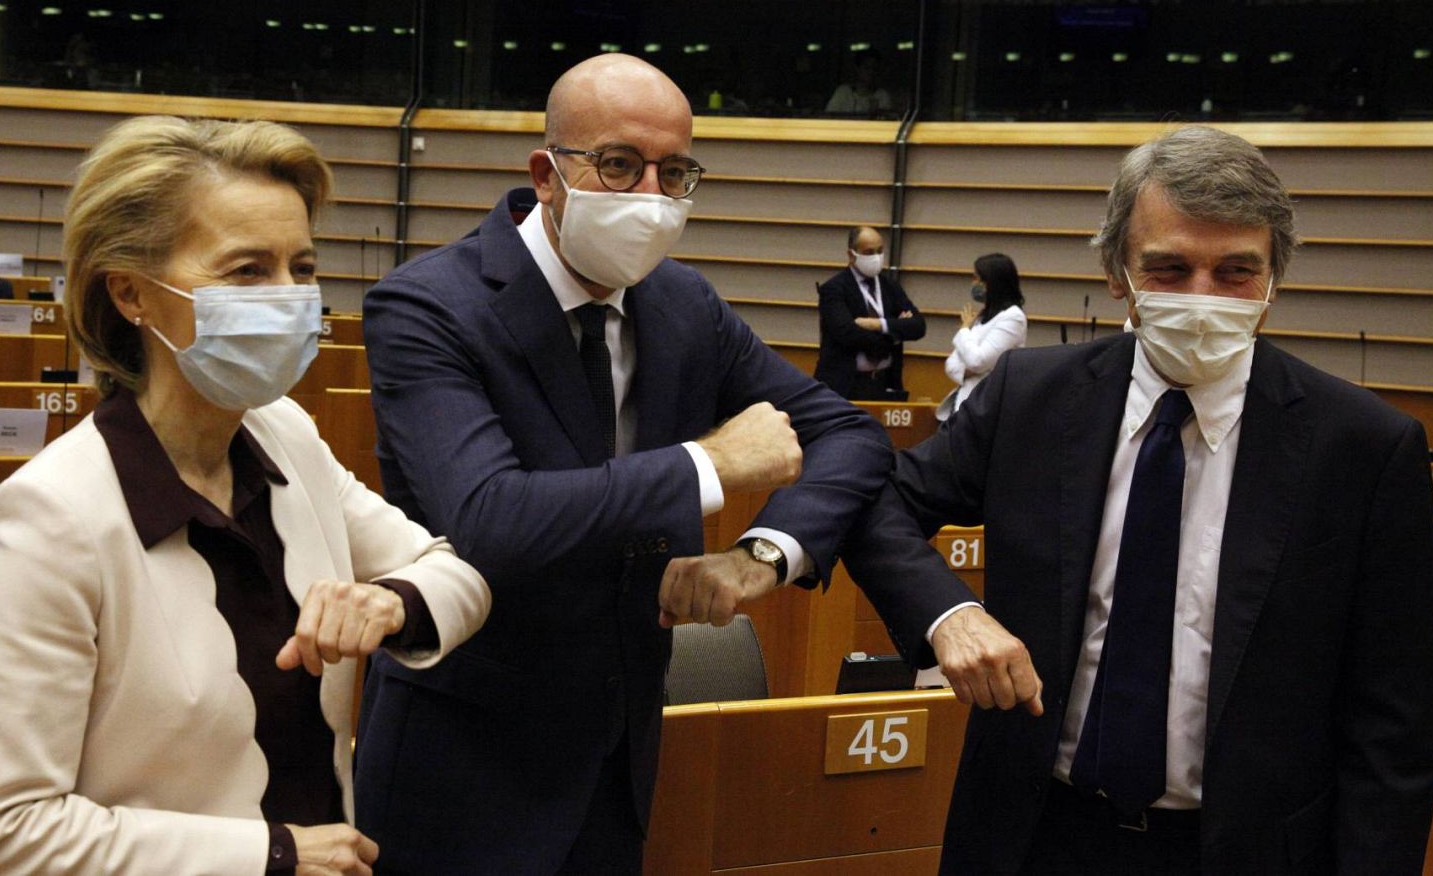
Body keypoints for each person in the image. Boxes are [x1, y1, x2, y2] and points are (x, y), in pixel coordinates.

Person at [838, 125, 1433, 873]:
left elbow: (1395, 726)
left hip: (1247, 851)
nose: (1201, 298)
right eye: (1169, 268)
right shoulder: (1031, 397)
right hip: (1033, 835)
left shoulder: (1363, 447)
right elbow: (876, 502)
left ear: (1275, 279)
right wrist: (948, 614)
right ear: (1117, 271)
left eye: (1235, 273)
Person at [356, 54, 893, 873]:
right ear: (547, 173)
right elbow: (489, 520)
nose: (649, 197)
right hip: (465, 758)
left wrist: (761, 558)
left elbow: (850, 436)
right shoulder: (428, 306)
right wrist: (706, 466)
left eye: (673, 172)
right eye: (618, 165)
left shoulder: (684, 304)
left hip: (620, 755)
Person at [0, 116, 491, 875]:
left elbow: (455, 573)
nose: (291, 297)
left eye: (302, 268)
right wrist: (269, 855)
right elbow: (3, 833)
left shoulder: (285, 435)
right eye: (246, 271)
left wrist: (391, 601)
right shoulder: (51, 515)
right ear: (132, 292)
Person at [814, 225, 926, 400]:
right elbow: (846, 333)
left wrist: (879, 324)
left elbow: (918, 326)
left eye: (880, 251)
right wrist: (894, 336)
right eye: (868, 252)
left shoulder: (890, 286)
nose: (876, 257)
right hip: (844, 386)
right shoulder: (834, 289)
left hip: (885, 383)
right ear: (852, 255)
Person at [936, 252, 1027, 420]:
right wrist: (967, 370)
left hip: (989, 408)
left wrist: (964, 329)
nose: (974, 283)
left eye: (977, 278)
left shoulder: (1013, 318)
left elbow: (977, 361)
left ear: (992, 282)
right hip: (964, 405)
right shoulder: (983, 316)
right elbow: (951, 364)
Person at [825, 48, 894, 115]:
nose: (871, 72)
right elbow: (828, 117)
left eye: (874, 69)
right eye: (867, 68)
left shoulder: (882, 96)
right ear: (857, 69)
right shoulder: (843, 93)